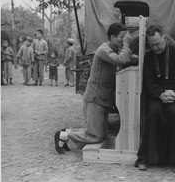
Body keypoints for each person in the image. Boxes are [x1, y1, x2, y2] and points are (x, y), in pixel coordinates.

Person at [54, 22, 138, 154]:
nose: (123, 40)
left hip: (102, 98)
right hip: (94, 98)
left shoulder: (113, 50)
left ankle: (65, 134)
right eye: (121, 37)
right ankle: (65, 135)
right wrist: (127, 45)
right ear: (112, 37)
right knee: (96, 137)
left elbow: (122, 60)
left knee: (102, 135)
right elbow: (119, 60)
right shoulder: (103, 49)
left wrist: (131, 59)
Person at [134, 24, 175, 173]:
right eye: (152, 45)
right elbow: (148, 81)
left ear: (164, 38)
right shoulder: (148, 57)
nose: (155, 48)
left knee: (174, 114)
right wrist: (161, 94)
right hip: (158, 95)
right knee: (154, 112)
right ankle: (147, 159)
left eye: (158, 43)